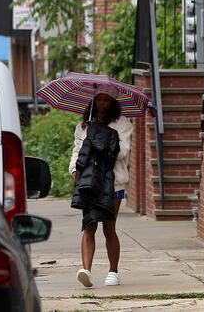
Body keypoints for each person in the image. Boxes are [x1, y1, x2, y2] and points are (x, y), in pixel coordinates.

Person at [69, 86, 132, 288]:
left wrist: (100, 133)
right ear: (93, 100)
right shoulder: (83, 125)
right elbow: (77, 151)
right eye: (99, 99)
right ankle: (86, 270)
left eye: (106, 100)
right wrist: (73, 172)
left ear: (113, 102)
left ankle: (113, 271)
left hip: (114, 182)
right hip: (89, 181)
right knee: (89, 225)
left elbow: (122, 152)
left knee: (109, 227)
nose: (102, 104)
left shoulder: (122, 124)